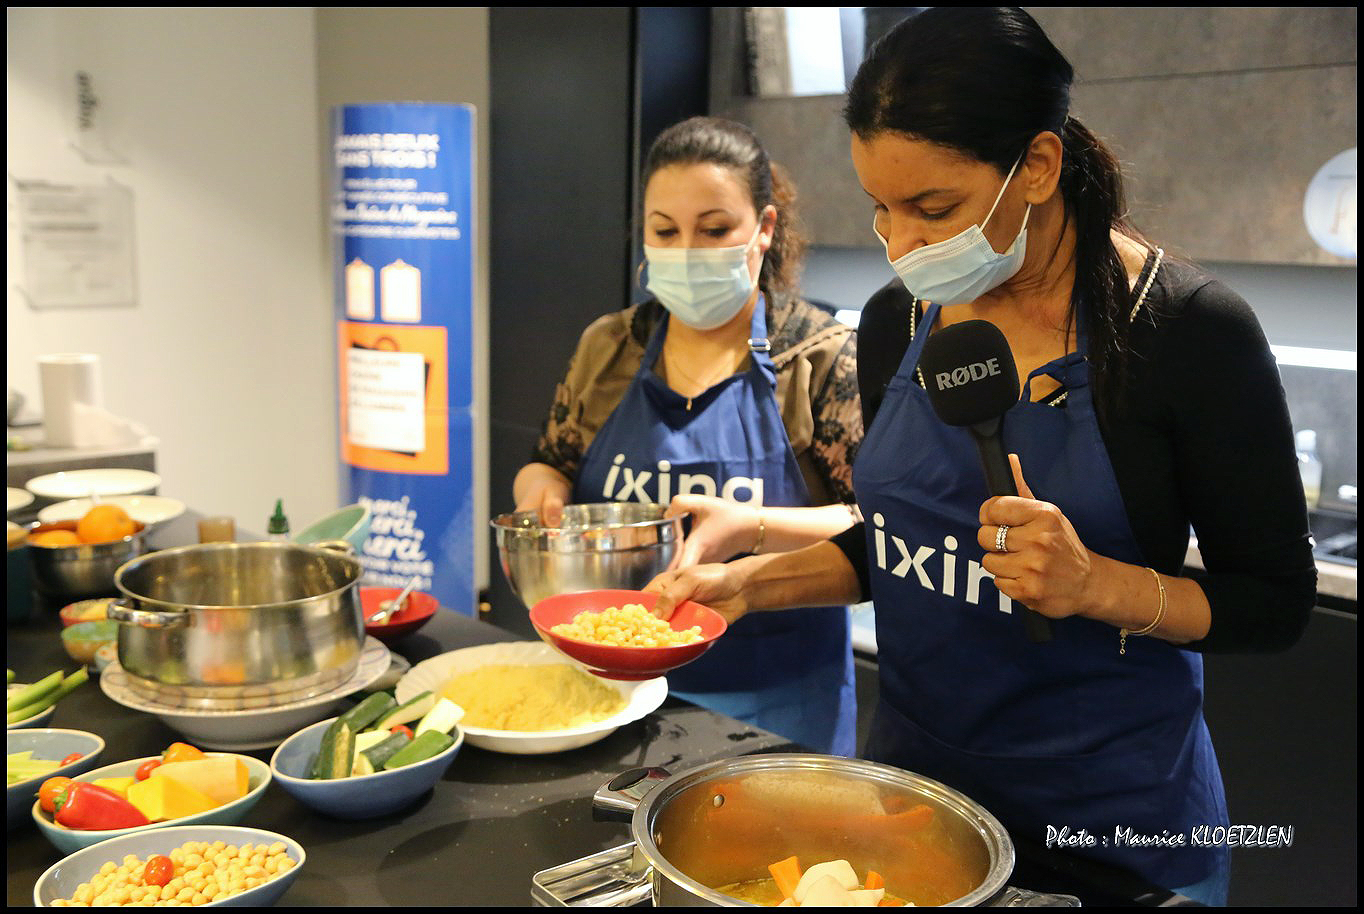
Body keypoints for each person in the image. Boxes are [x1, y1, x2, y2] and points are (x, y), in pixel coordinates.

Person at [645, 8, 1317, 905]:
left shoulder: (1187, 333)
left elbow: (1274, 603)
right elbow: (901, 543)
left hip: (1114, 829)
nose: (901, 245)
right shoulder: (897, 320)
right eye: (881, 209)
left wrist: (1096, 586)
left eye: (934, 209)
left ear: (1036, 165)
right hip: (916, 810)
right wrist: (747, 586)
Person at [513, 116, 864, 756]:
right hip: (611, 689)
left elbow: (876, 525)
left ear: (763, 228)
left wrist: (751, 526)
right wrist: (542, 494)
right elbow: (549, 461)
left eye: (714, 229)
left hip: (776, 707)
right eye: (666, 231)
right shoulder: (610, 345)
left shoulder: (820, 358)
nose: (688, 250)